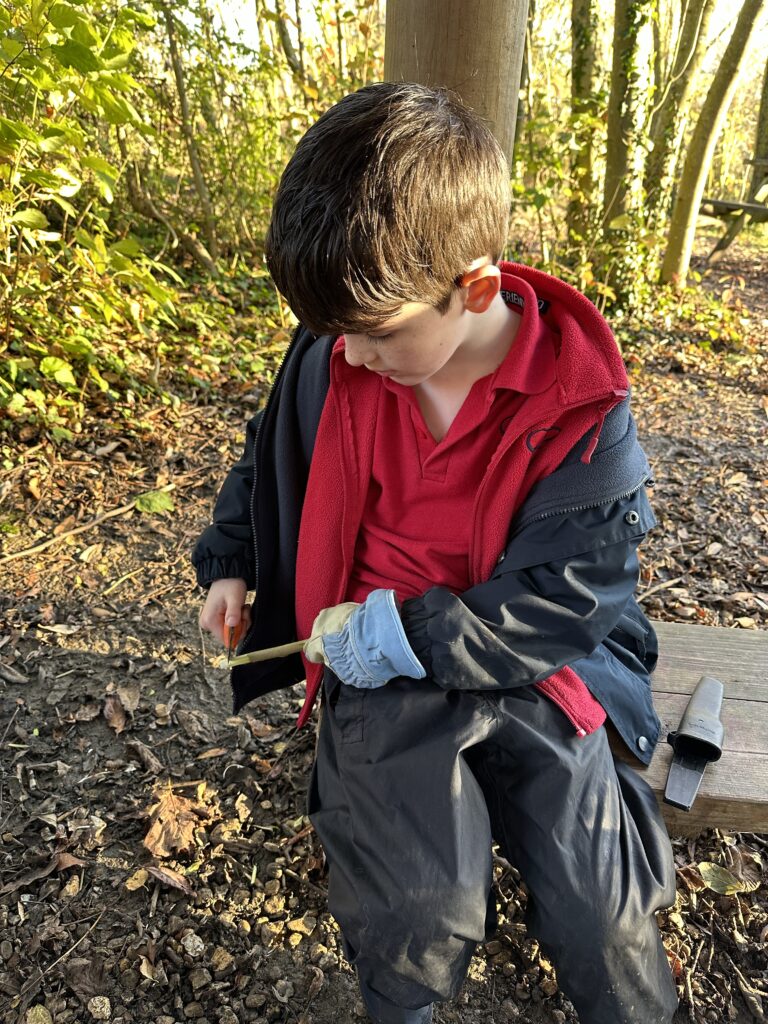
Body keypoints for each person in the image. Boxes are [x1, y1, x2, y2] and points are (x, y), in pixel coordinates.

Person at [193, 82, 678, 1024]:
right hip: (381, 673)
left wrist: (401, 632)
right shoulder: (338, 353)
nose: (350, 357)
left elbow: (562, 605)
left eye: (374, 336)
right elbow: (269, 455)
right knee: (416, 904)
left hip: (528, 667)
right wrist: (232, 559)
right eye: (334, 334)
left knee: (600, 906)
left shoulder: (582, 416)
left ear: (477, 287)